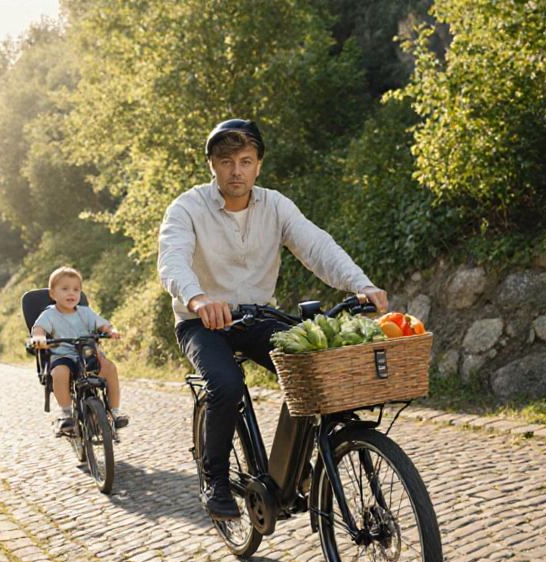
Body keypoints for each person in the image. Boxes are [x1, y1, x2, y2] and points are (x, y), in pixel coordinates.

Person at [157, 119, 388, 520]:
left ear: (259, 164)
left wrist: (360, 284)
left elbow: (316, 245)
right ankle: (214, 479)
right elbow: (172, 257)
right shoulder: (188, 207)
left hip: (257, 316)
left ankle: (294, 468)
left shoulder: (275, 205)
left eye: (246, 161)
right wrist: (196, 298)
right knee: (226, 385)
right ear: (212, 164)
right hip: (201, 320)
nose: (236, 171)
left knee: (314, 369)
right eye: (226, 161)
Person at [29, 266, 129, 436]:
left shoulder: (85, 312)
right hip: (64, 356)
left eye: (76, 289)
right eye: (65, 289)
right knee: (59, 372)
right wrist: (39, 338)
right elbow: (38, 329)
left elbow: (102, 324)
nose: (71, 293)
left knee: (110, 368)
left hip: (88, 355)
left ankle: (114, 410)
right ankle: (66, 414)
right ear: (53, 294)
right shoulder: (50, 314)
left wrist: (110, 330)